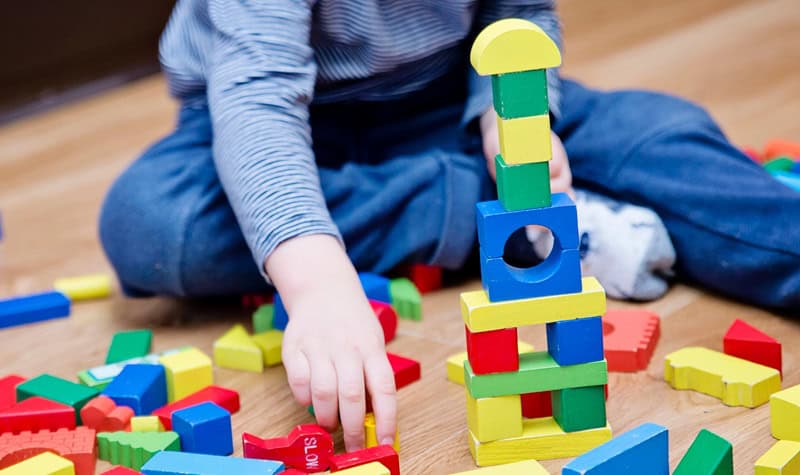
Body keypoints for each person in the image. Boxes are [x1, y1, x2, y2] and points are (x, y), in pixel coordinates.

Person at [98, 0, 800, 453]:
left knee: (662, 130)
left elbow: (521, 16)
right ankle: (523, 218)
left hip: (449, 99)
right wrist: (315, 284)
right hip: (287, 122)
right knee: (154, 224)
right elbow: (257, 96)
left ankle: (514, 209)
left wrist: (513, 121)